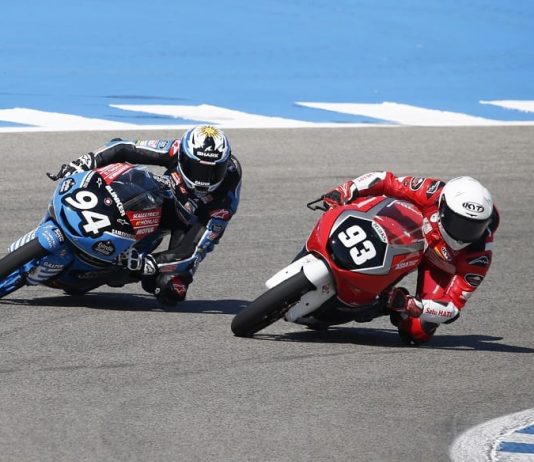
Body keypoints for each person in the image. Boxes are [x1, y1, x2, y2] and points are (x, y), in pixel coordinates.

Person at [48, 125, 242, 305]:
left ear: (225, 165)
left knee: (171, 288)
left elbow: (193, 250)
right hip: (164, 196)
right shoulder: (176, 148)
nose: (203, 180)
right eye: (197, 169)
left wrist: (150, 263)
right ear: (183, 157)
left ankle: (117, 269)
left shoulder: (224, 203)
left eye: (213, 172)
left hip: (189, 224)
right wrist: (86, 161)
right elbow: (124, 147)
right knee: (125, 171)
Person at [321, 172, 499, 345]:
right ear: (442, 205)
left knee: (418, 332)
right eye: (458, 223)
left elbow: (452, 308)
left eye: (474, 228)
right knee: (366, 202)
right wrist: (347, 189)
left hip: (439, 268)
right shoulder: (431, 191)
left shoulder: (479, 256)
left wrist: (412, 305)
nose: (463, 234)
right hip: (410, 230)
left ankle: (385, 303)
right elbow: (386, 181)